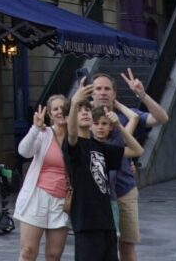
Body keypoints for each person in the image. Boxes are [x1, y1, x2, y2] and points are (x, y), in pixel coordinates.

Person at [88, 70, 168, 261]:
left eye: (107, 88)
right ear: (92, 92)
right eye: (98, 88)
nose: (103, 92)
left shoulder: (126, 115)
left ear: (114, 93)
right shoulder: (84, 117)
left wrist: (141, 94)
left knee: (126, 244)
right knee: (98, 247)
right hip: (95, 194)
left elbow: (161, 118)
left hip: (123, 190)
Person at [65, 79, 144, 261]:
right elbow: (70, 135)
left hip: (107, 218)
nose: (84, 113)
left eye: (87, 110)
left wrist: (119, 127)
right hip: (86, 220)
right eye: (79, 111)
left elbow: (137, 150)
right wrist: (75, 102)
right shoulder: (74, 146)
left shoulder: (101, 147)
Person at [15, 93, 71, 261]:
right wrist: (35, 129)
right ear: (50, 114)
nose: (60, 112)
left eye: (63, 108)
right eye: (55, 109)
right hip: (37, 197)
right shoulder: (44, 133)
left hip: (62, 201)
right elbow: (24, 151)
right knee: (28, 251)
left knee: (54, 255)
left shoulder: (76, 136)